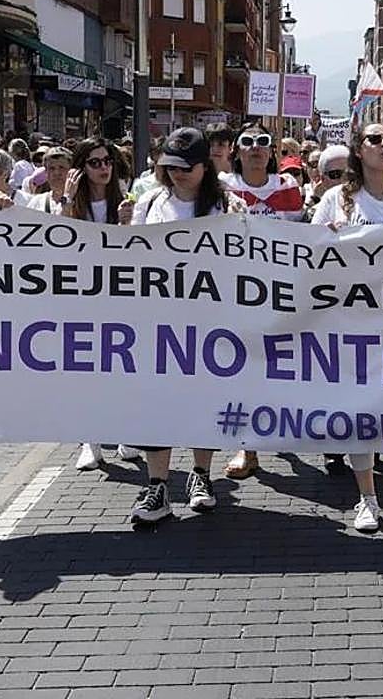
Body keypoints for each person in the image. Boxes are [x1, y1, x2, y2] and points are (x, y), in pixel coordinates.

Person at [128, 129, 246, 525]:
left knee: (204, 400)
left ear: (204, 167)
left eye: (186, 167)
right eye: (170, 167)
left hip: (209, 322)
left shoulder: (225, 204)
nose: (177, 175)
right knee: (154, 403)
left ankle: (200, 475)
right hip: (157, 322)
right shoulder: (149, 203)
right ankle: (157, 485)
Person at [312, 122, 383, 531]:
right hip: (352, 318)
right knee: (360, 411)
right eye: (374, 139)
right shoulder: (339, 199)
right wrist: (330, 236)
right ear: (358, 149)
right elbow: (311, 248)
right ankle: (367, 498)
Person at [220, 123, 306, 480]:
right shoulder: (223, 188)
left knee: (281, 366)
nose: (255, 148)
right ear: (236, 151)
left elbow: (304, 237)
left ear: (272, 151)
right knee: (244, 367)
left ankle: (282, 424)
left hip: (281, 294)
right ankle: (247, 447)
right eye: (247, 142)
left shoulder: (288, 189)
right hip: (236, 294)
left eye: (263, 142)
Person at [63, 139, 135, 471]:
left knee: (122, 369)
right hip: (81, 296)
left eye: (107, 161)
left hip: (119, 296)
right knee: (87, 370)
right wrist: (66, 198)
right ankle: (91, 442)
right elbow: (58, 239)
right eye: (95, 163)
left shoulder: (125, 200)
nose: (104, 167)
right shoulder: (71, 203)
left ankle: (124, 435)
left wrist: (124, 224)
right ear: (81, 169)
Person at [27, 147, 73, 216]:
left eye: (61, 167)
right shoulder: (37, 202)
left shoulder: (82, 203)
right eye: (52, 168)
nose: (57, 173)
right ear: (46, 172)